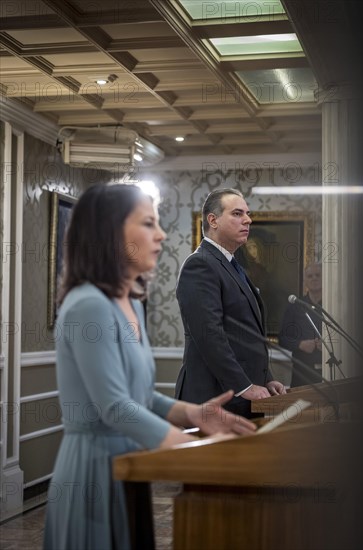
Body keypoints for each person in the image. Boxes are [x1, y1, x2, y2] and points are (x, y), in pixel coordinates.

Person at [43, 184, 257, 550]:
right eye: (147, 224)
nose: (160, 235)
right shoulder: (87, 306)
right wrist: (193, 451)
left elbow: (139, 398)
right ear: (110, 232)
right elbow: (114, 407)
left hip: (129, 465)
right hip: (94, 471)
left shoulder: (130, 304)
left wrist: (196, 414)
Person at [175, 188, 286, 418]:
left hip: (243, 398)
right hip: (215, 399)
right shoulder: (201, 265)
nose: (248, 219)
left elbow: (245, 335)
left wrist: (267, 378)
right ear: (213, 220)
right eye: (237, 213)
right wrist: (245, 386)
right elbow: (209, 335)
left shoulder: (234, 266)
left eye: (247, 213)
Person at [279, 263, 323, 387]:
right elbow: (282, 339)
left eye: (318, 275)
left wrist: (328, 345)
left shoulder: (333, 306)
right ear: (305, 281)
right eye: (310, 276)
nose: (314, 278)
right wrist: (300, 344)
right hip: (302, 372)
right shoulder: (295, 305)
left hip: (326, 371)